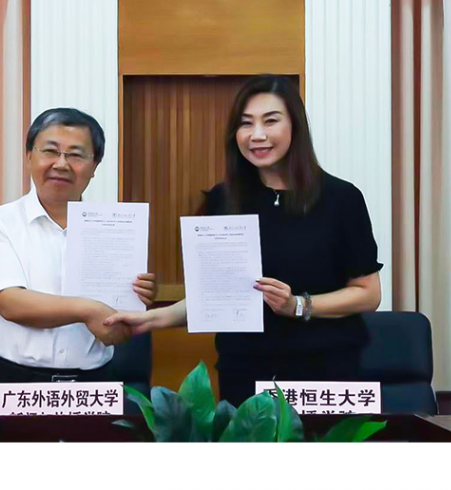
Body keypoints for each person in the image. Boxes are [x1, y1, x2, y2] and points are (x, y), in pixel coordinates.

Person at [106, 75, 382, 406]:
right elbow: (214, 299)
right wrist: (147, 320)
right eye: (245, 123)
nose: (257, 135)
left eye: (271, 121)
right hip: (245, 372)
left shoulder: (342, 198)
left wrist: (297, 305)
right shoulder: (224, 200)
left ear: (295, 126)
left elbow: (368, 294)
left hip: (326, 373)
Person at [0, 107, 158, 415]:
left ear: (95, 165)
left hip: (94, 389)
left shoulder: (115, 228)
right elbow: (9, 302)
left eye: (76, 155)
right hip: (14, 388)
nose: (61, 164)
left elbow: (121, 311)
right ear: (29, 155)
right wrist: (88, 309)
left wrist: (141, 294)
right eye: (50, 151)